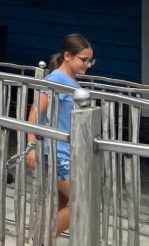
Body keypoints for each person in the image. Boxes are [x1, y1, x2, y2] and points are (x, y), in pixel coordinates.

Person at [26, 33, 95, 237]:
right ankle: (40, 240)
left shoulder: (70, 81)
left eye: (90, 60)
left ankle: (42, 240)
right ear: (67, 56)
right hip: (56, 153)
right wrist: (31, 146)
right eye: (83, 60)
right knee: (82, 202)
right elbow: (36, 111)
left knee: (62, 204)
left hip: (65, 152)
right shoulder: (57, 79)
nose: (88, 65)